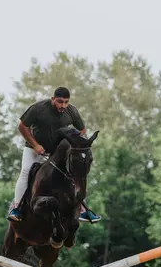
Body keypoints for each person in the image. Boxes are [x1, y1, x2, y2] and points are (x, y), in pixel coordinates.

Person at [7, 86, 101, 224]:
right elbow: (22, 127)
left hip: (56, 151)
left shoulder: (71, 111)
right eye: (60, 101)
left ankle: (83, 210)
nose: (63, 105)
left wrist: (71, 141)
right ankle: (16, 209)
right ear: (53, 99)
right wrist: (35, 145)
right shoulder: (38, 108)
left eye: (66, 102)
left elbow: (81, 130)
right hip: (34, 149)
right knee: (26, 171)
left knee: (74, 174)